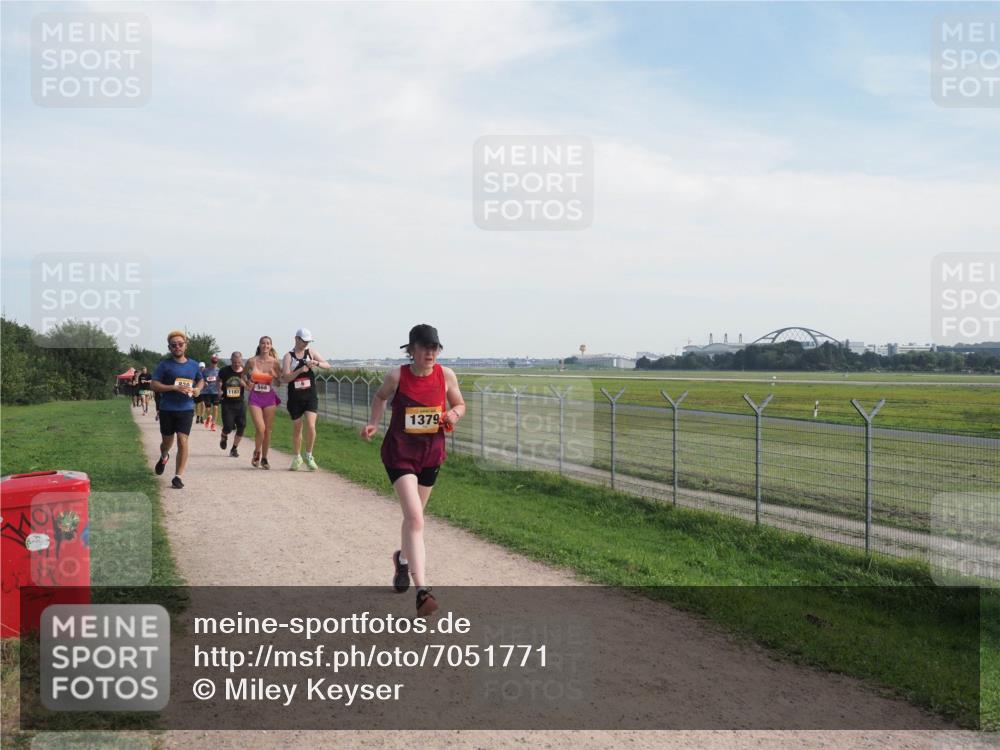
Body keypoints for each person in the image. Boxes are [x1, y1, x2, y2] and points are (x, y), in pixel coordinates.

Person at [360, 324, 465, 617]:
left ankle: (402, 560)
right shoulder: (397, 376)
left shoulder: (446, 375)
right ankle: (423, 590)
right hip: (400, 453)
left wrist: (453, 415)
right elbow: (380, 397)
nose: (430, 352)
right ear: (412, 349)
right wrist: (374, 423)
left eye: (435, 347)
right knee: (416, 518)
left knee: (413, 519)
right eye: (424, 347)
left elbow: (459, 404)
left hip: (431, 454)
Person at [151, 331, 203, 489]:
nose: (177, 347)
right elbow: (154, 384)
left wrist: (198, 390)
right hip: (167, 409)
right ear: (169, 348)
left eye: (180, 344)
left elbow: (200, 380)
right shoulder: (164, 365)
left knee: (182, 440)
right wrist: (172, 387)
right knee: (167, 443)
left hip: (186, 409)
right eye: (174, 345)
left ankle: (178, 476)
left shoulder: (193, 365)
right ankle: (164, 456)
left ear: (185, 345)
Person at [281, 328, 332, 470]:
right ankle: (297, 457)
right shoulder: (288, 356)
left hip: (310, 395)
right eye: (304, 341)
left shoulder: (311, 352)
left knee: (311, 425)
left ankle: (309, 455)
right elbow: (285, 377)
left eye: (308, 341)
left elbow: (328, 365)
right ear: (296, 339)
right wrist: (299, 370)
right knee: (297, 427)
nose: (305, 344)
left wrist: (316, 363)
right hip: (295, 397)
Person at [245, 335, 282, 469]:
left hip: (269, 398)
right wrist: (248, 383)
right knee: (260, 428)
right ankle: (257, 452)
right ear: (259, 345)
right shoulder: (251, 361)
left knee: (267, 430)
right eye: (263, 343)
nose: (265, 345)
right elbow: (243, 375)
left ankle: (264, 458)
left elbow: (279, 383)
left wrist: (276, 375)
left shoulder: (275, 363)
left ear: (271, 346)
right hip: (255, 397)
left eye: (268, 343)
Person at [218, 351, 247, 458]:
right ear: (231, 361)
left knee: (242, 426)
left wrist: (244, 383)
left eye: (239, 362)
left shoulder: (244, 372)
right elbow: (219, 381)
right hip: (227, 403)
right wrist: (219, 390)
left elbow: (249, 386)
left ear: (241, 361)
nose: (236, 364)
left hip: (240, 403)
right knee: (228, 426)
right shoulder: (224, 371)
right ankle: (224, 436)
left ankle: (234, 449)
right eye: (234, 362)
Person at [201, 355, 221, 431]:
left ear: (217, 362)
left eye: (215, 362)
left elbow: (222, 379)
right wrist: (204, 382)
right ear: (210, 361)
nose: (214, 363)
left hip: (215, 391)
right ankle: (209, 417)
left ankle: (213, 424)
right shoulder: (205, 370)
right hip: (206, 392)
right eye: (213, 362)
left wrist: (221, 388)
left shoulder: (219, 370)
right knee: (208, 408)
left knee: (215, 407)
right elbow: (200, 379)